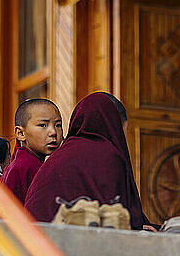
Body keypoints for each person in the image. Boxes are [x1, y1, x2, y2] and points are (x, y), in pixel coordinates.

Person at [24, 92, 154, 230]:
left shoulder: (59, 155)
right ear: (115, 125)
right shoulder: (108, 156)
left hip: (33, 241)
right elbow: (118, 218)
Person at [1, 98, 63, 204]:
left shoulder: (23, 163)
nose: (53, 132)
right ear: (20, 133)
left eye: (58, 125)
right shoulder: (26, 167)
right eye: (43, 125)